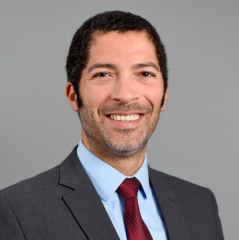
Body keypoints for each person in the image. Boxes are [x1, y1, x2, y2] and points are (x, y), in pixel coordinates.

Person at [0, 11, 224, 240]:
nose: (126, 95)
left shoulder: (201, 205)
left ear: (164, 96)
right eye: (103, 74)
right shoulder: (15, 211)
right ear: (73, 95)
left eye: (145, 73)